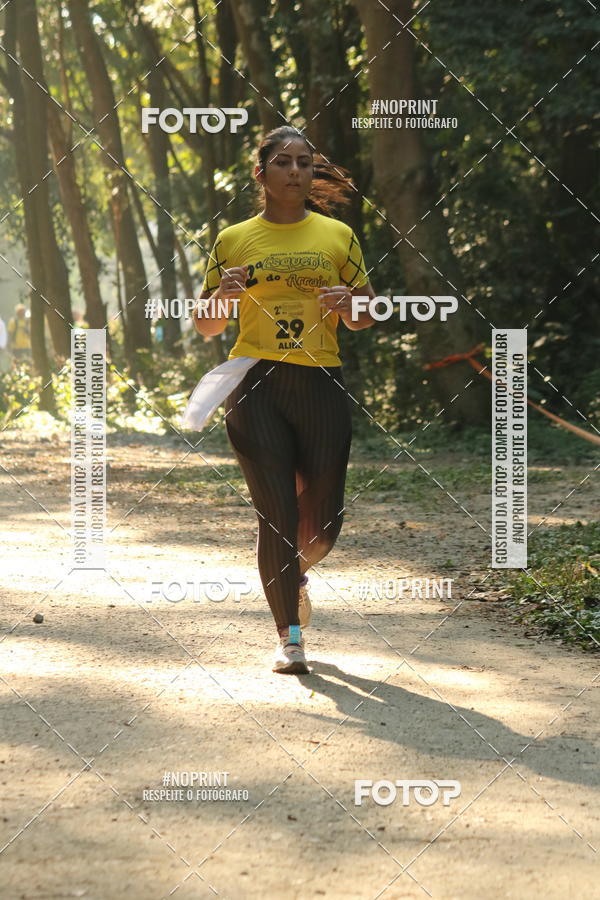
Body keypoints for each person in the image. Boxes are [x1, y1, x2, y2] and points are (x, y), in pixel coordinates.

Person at [191, 125, 376, 674]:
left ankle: (296, 573)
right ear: (262, 173)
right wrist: (222, 296)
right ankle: (289, 637)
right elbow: (205, 326)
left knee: (321, 525)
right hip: (254, 384)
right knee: (276, 517)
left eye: (305, 162)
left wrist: (349, 304)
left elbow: (365, 316)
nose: (296, 171)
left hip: (320, 382)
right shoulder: (232, 239)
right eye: (284, 162)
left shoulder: (338, 235)